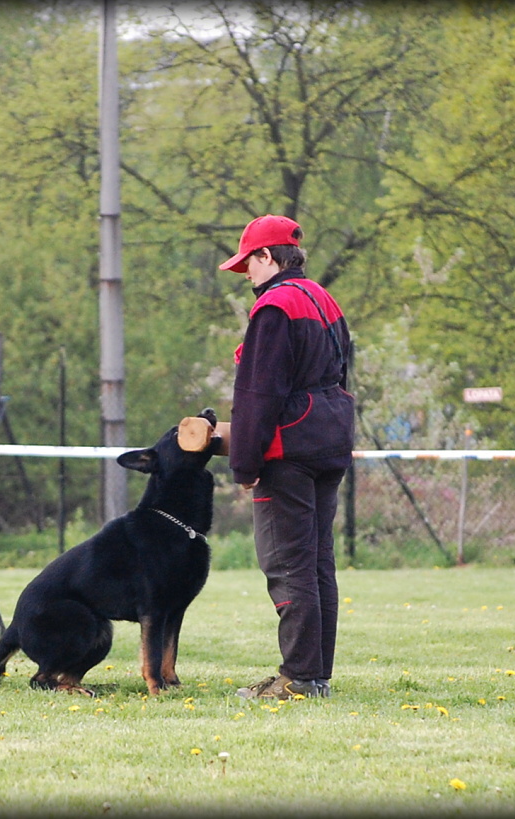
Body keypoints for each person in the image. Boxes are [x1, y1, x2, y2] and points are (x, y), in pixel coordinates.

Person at [218, 214, 355, 700]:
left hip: (289, 449)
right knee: (318, 562)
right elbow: (343, 371)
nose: (247, 276)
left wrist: (246, 465)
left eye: (248, 264)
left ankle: (297, 679)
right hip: (330, 439)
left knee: (287, 563)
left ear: (267, 256)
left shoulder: (274, 307)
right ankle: (315, 676)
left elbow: (258, 393)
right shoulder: (322, 297)